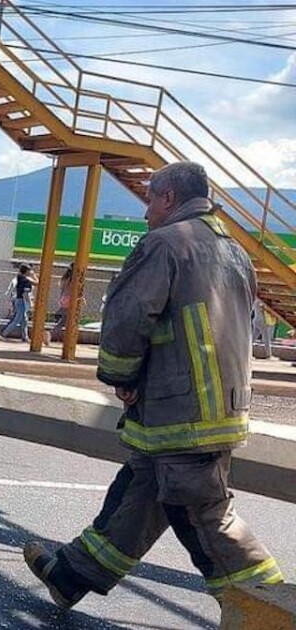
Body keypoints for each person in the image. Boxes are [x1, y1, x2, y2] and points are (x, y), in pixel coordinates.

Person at [22, 161, 282, 609]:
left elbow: (126, 322)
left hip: (180, 414)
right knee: (140, 494)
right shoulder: (235, 252)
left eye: (149, 201)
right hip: (220, 408)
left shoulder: (163, 245)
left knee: (202, 515)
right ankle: (70, 576)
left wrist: (120, 377)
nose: (145, 214)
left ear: (168, 198)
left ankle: (270, 606)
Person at [0, 264, 36, 341]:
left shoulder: (20, 277)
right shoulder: (25, 279)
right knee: (17, 319)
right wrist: (34, 275)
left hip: (18, 300)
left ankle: (25, 337)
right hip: (21, 301)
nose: (30, 272)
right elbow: (36, 283)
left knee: (24, 320)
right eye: (29, 270)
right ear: (26, 271)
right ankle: (3, 334)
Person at [51, 262, 76, 344]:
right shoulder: (73, 278)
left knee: (66, 319)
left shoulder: (65, 278)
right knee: (68, 319)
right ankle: (51, 333)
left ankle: (55, 333)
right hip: (70, 299)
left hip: (64, 299)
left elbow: (62, 289)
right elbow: (73, 290)